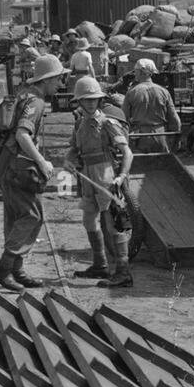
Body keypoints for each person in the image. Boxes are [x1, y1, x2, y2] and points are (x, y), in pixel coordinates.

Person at [0, 54, 64, 290]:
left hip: (5, 163)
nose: (59, 84)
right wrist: (42, 161)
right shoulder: (36, 102)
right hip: (18, 167)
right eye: (57, 79)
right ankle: (3, 269)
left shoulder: (24, 94)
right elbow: (22, 134)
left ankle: (16, 269)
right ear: (47, 80)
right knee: (32, 216)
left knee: (15, 216)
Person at [65, 76, 133, 287]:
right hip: (86, 175)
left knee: (114, 223)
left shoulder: (107, 123)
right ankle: (100, 264)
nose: (90, 103)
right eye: (86, 99)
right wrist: (68, 160)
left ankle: (123, 273)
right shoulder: (79, 125)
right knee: (88, 220)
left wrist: (121, 176)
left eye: (94, 99)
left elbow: (127, 152)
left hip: (106, 174)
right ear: (79, 101)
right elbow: (73, 150)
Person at [122, 58, 180, 154]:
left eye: (136, 71)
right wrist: (177, 137)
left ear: (141, 72)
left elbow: (123, 118)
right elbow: (174, 118)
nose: (134, 73)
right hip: (161, 135)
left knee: (141, 166)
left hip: (140, 136)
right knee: (162, 165)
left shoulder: (132, 92)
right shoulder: (164, 92)